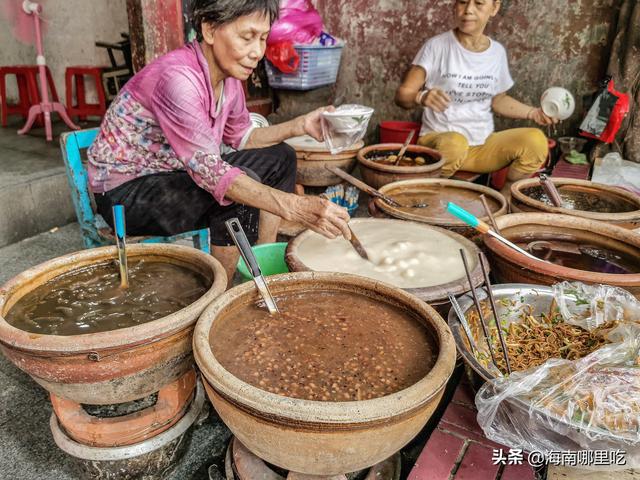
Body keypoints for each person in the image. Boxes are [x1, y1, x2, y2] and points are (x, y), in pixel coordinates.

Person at [87, 0, 351, 286]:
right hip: (126, 194)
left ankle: (259, 262)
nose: (257, 52)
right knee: (236, 189)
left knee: (281, 157)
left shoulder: (229, 78)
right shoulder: (178, 80)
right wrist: (296, 207)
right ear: (210, 29)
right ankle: (221, 295)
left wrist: (299, 125)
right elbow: (213, 174)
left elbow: (243, 137)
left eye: (263, 39)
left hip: (177, 173)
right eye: (247, 37)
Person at [395, 0, 558, 198]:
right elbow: (403, 95)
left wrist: (534, 113)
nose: (468, 10)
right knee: (456, 143)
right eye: (463, 2)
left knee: (535, 140)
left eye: (479, 3)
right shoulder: (437, 46)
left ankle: (505, 200)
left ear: (494, 8)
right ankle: (428, 196)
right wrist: (421, 96)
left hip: (481, 147)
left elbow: (499, 101)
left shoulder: (496, 52)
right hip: (440, 145)